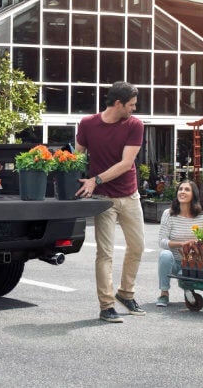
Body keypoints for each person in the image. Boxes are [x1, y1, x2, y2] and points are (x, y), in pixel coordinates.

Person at [75, 81, 145, 323]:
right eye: (132, 105)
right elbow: (77, 154)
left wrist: (95, 179)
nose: (134, 109)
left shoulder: (134, 125)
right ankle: (106, 306)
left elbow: (127, 164)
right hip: (103, 199)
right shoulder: (87, 124)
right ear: (118, 104)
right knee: (105, 254)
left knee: (137, 247)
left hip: (129, 195)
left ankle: (126, 292)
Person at [156, 180, 203, 307]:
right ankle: (164, 293)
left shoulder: (202, 218)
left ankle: (189, 291)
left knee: (185, 276)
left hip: (191, 263)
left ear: (193, 195)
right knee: (165, 255)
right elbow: (162, 241)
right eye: (180, 189)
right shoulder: (169, 214)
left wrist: (197, 245)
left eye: (187, 190)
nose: (182, 192)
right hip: (173, 262)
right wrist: (182, 244)